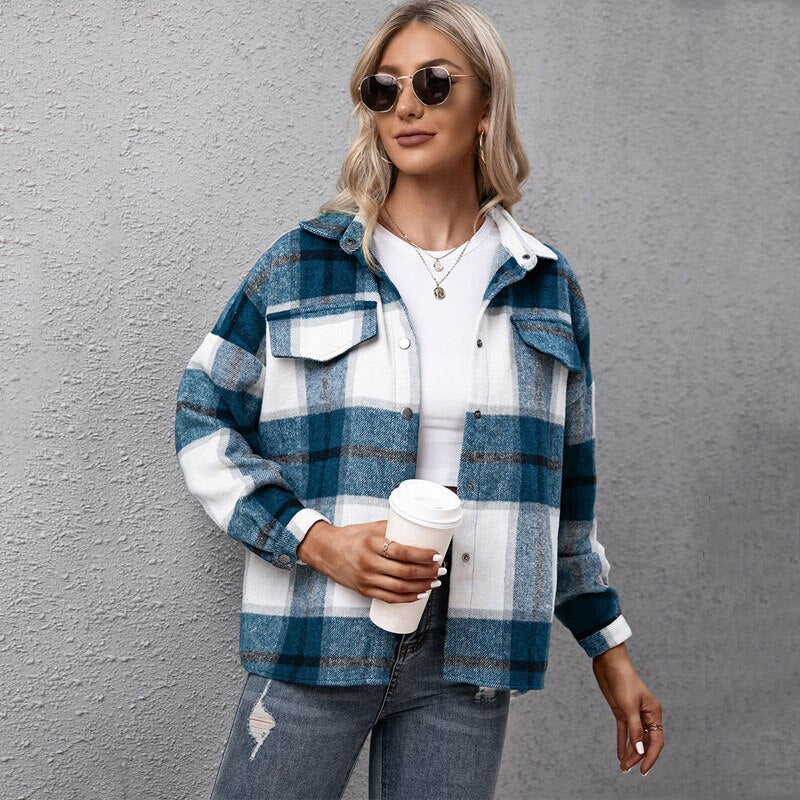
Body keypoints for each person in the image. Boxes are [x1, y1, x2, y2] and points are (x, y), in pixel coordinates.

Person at [174, 1, 665, 797]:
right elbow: (203, 417)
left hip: (470, 657)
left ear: (485, 107)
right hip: (317, 633)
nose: (407, 105)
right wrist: (317, 540)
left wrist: (611, 653)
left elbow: (569, 505)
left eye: (434, 83)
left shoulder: (545, 287)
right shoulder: (301, 265)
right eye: (385, 88)